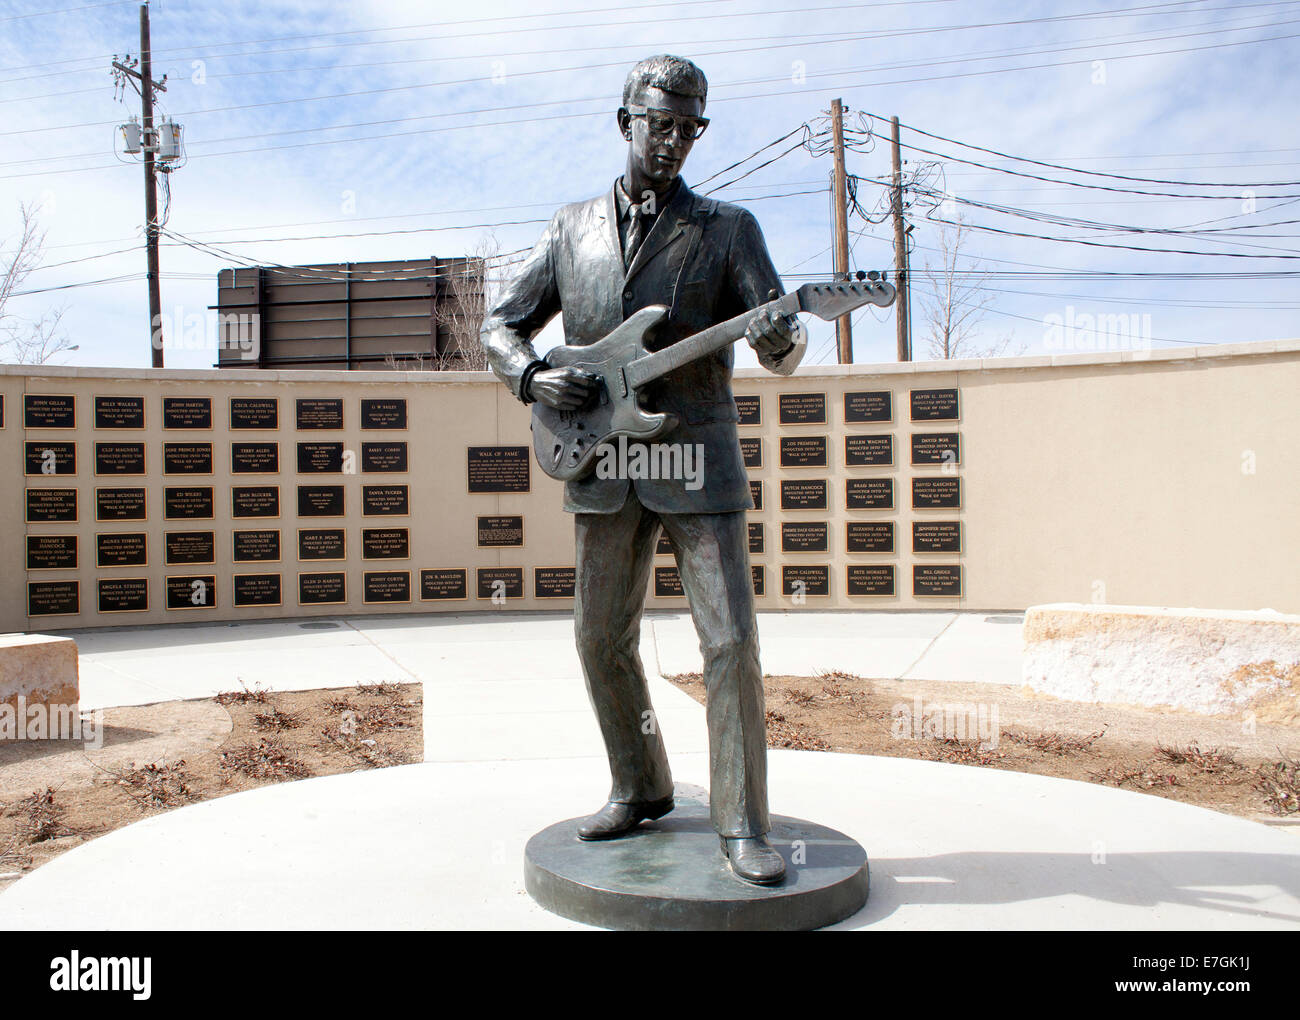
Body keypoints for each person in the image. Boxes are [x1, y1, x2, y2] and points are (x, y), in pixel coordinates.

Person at [481, 54, 804, 885]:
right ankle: (641, 783)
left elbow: (783, 344)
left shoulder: (730, 229)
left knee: (729, 640)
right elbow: (501, 326)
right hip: (600, 463)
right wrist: (530, 375)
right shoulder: (570, 226)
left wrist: (782, 338)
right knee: (597, 638)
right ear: (624, 121)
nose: (672, 141)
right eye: (658, 123)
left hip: (696, 459)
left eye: (689, 128)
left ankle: (740, 824)